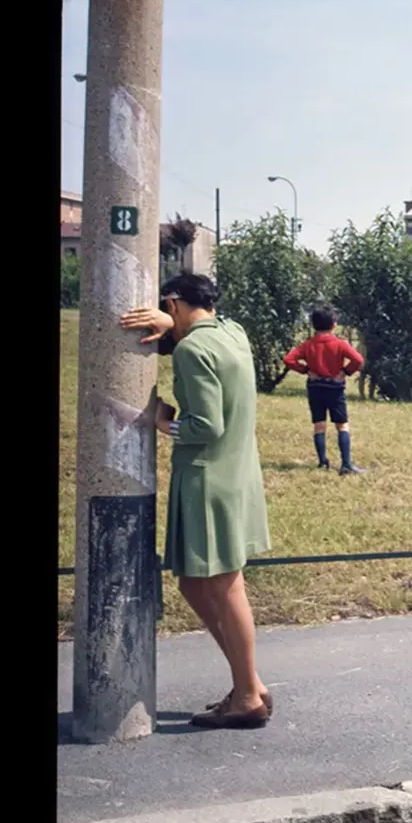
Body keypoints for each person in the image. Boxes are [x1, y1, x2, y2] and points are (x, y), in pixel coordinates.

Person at [119, 274, 274, 728]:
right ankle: (252, 683)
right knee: (193, 583)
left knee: (226, 588)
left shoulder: (191, 350)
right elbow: (200, 334)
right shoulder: (234, 332)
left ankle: (247, 696)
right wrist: (171, 322)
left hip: (207, 476)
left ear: (173, 301)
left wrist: (159, 420)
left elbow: (206, 426)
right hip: (237, 472)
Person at [282, 306, 367, 475]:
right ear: (334, 325)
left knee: (319, 425)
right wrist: (345, 372)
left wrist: (305, 370)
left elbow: (288, 359)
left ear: (313, 325)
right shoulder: (339, 344)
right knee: (342, 425)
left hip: (315, 388)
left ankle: (322, 461)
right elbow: (358, 359)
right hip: (334, 389)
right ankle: (346, 464)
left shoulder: (308, 344)